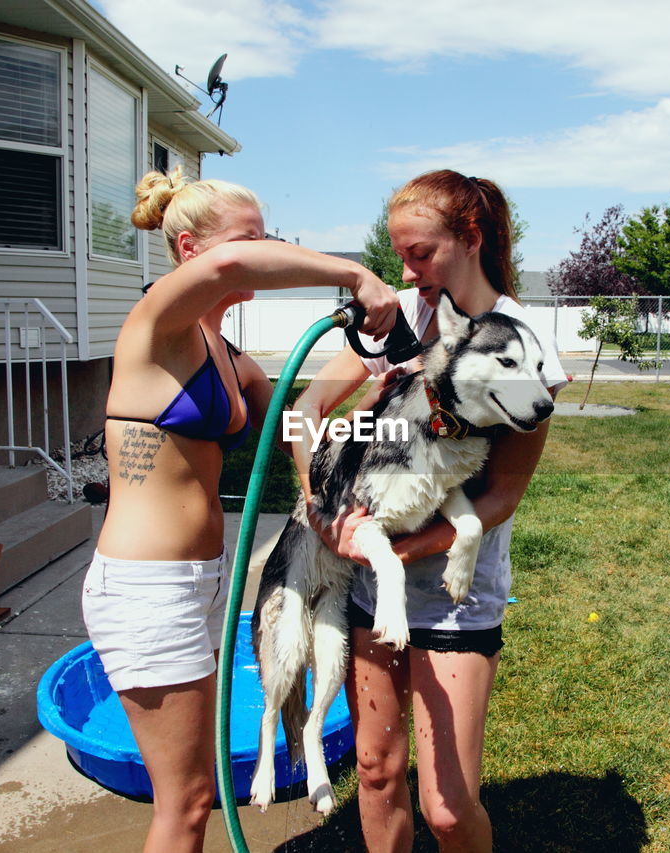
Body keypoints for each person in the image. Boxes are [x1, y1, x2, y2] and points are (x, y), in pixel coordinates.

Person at [81, 165, 397, 853]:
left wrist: (323, 486)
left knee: (191, 795)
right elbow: (234, 262)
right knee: (189, 800)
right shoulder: (158, 319)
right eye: (253, 235)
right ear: (192, 250)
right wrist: (354, 275)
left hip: (195, 584)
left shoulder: (227, 354)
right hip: (144, 585)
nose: (265, 246)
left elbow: (295, 418)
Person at [289, 169, 568, 852]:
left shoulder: (522, 346)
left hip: (453, 600)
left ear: (469, 238)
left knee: (447, 808)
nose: (407, 272)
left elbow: (501, 495)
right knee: (379, 773)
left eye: (421, 254)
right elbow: (303, 411)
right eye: (400, 255)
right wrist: (320, 506)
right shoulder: (400, 326)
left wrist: (389, 550)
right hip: (364, 589)